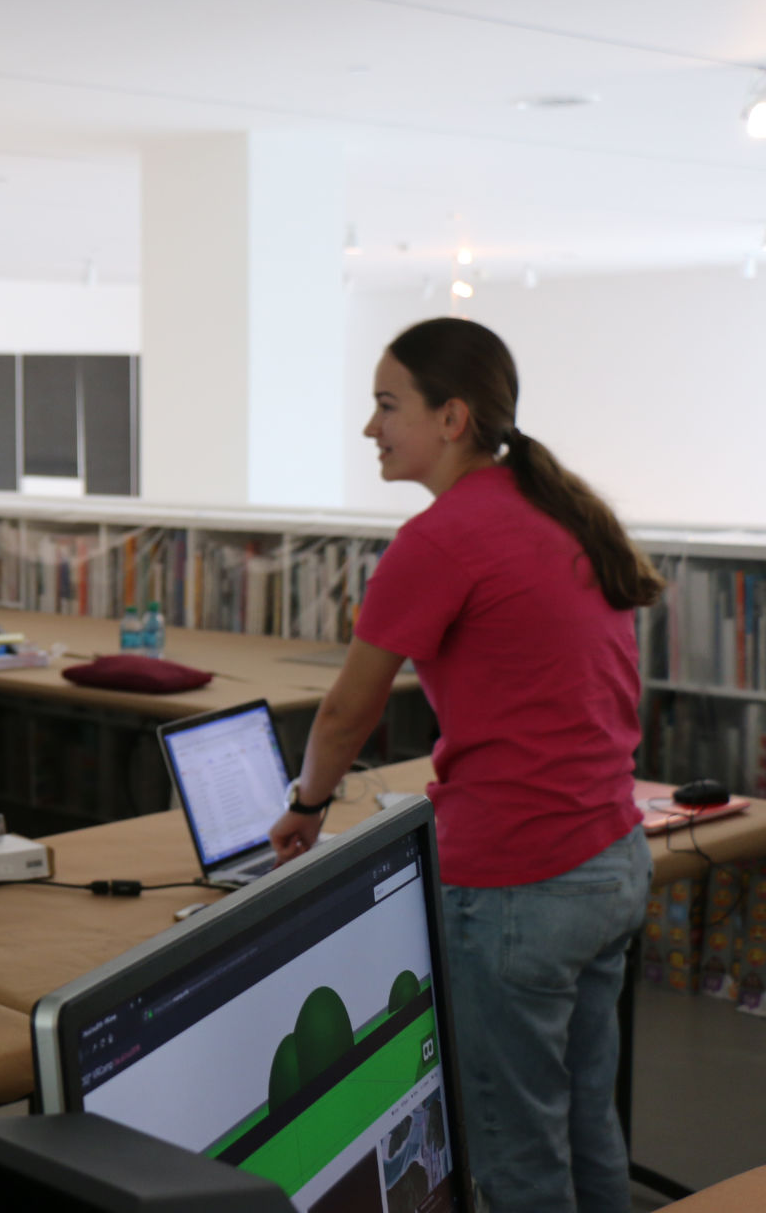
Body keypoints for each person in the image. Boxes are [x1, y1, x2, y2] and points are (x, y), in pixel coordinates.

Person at [269, 317, 661, 1213]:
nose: (370, 428)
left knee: (514, 1152)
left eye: (386, 405)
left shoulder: (439, 539)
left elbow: (347, 709)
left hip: (519, 885)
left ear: (452, 418)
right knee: (587, 1122)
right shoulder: (553, 510)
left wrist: (306, 804)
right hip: (610, 861)